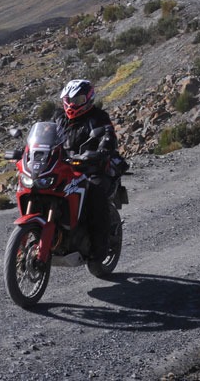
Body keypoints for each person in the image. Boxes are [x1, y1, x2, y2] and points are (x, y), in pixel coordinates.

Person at [53, 79, 126, 262]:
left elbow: (108, 136)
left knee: (95, 195)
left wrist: (101, 150)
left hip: (93, 168)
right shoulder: (59, 118)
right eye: (68, 100)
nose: (71, 104)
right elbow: (47, 135)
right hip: (66, 168)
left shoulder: (98, 117)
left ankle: (98, 250)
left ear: (88, 99)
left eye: (77, 100)